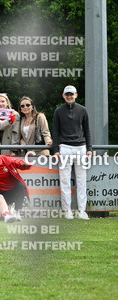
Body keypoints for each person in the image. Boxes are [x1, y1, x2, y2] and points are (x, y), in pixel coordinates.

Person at [52, 85, 92, 220]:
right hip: (64, 148)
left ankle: (82, 211)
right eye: (67, 94)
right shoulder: (58, 111)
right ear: (63, 95)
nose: (69, 96)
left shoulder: (83, 110)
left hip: (81, 148)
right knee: (65, 181)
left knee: (82, 181)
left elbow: (87, 131)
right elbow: (55, 132)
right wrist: (56, 150)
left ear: (76, 95)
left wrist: (89, 149)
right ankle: (67, 211)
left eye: (71, 94)